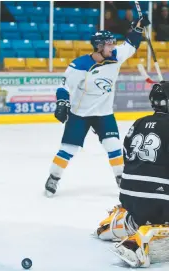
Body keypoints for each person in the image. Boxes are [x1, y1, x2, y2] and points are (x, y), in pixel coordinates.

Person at [95, 81, 169, 267]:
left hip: (128, 195)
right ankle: (138, 241)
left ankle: (122, 222)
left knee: (141, 212)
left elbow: (130, 162)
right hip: (160, 201)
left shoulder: (138, 123)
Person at [44, 17, 151, 197]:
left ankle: (120, 178)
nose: (113, 47)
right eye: (109, 44)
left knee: (114, 146)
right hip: (80, 114)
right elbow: (64, 86)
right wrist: (62, 102)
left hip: (104, 113)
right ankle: (54, 177)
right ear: (99, 46)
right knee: (68, 149)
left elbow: (131, 44)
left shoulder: (115, 57)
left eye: (113, 44)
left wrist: (138, 27)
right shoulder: (80, 65)